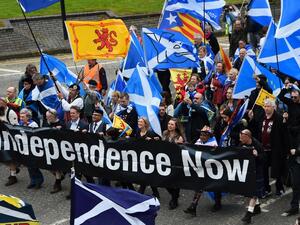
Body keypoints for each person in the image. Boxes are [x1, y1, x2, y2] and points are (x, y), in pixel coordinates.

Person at [248, 99, 289, 197]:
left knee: (277, 170)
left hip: (275, 149)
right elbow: (255, 129)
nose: (266, 108)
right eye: (265, 106)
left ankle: (279, 188)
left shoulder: (279, 118)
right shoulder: (261, 117)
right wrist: (251, 118)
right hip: (263, 150)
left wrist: (286, 150)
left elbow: (285, 135)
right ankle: (267, 189)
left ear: (273, 107)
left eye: (268, 106)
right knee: (264, 170)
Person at [184, 126, 221, 216]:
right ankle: (193, 206)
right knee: (199, 187)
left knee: (215, 187)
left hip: (212, 169)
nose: (202, 136)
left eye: (204, 135)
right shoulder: (198, 141)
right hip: (202, 169)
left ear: (209, 136)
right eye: (201, 134)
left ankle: (218, 203)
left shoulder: (213, 144)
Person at [239, 129, 265, 224]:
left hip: (256, 171)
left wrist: (257, 155)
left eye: (242, 137)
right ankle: (257, 207)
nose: (240, 139)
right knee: (251, 190)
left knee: (253, 193)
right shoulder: (241, 144)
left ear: (247, 137)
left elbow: (264, 159)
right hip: (247, 171)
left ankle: (248, 215)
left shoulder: (257, 145)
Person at [162, 118, 185, 210]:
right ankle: (174, 195)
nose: (169, 125)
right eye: (169, 124)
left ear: (176, 126)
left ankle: (174, 200)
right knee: (164, 181)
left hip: (175, 161)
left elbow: (181, 150)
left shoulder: (179, 137)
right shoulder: (165, 133)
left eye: (172, 124)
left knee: (175, 181)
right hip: (165, 160)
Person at [19, 108, 44, 189]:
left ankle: (39, 180)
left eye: (23, 117)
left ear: (28, 117)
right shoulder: (21, 123)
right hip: (25, 147)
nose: (21, 118)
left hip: (33, 147)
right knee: (28, 165)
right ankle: (32, 181)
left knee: (34, 165)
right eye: (21, 117)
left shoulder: (33, 124)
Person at [136, 117, 160, 198]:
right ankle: (156, 193)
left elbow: (158, 142)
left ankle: (140, 192)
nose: (139, 123)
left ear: (145, 124)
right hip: (139, 157)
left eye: (141, 122)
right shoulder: (137, 131)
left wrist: (152, 141)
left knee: (145, 174)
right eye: (138, 122)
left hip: (149, 158)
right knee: (147, 175)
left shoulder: (151, 133)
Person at [44, 108, 65, 194]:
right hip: (48, 147)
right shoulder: (47, 123)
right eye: (46, 117)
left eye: (48, 117)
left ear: (54, 116)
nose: (47, 118)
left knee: (56, 166)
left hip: (58, 149)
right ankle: (60, 176)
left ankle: (58, 183)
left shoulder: (61, 124)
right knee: (49, 166)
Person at [0, 97, 19, 186]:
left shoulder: (11, 113)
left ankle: (13, 176)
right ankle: (15, 167)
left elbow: (15, 127)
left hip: (10, 138)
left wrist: (3, 122)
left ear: (5, 103)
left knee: (9, 157)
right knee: (4, 158)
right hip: (1, 137)